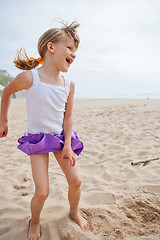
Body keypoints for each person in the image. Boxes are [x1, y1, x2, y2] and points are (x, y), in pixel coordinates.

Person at [0, 20, 90, 240]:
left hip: (61, 138)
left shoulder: (69, 85)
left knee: (76, 181)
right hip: (38, 139)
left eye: (75, 51)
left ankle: (74, 212)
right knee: (42, 192)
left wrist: (68, 144)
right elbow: (7, 93)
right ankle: (35, 221)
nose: (73, 54)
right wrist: (4, 120)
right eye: (69, 48)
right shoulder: (30, 78)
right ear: (51, 47)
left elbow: (68, 116)